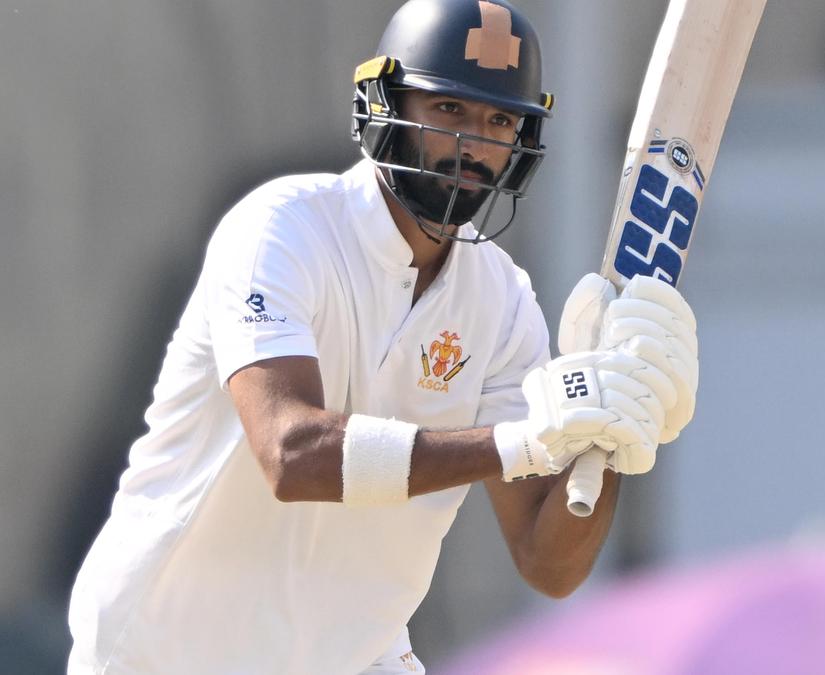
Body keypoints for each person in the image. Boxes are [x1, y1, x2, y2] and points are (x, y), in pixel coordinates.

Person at [66, 1, 699, 673]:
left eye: (498, 121)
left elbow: (548, 562)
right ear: (384, 103)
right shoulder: (282, 230)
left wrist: (614, 426)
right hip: (166, 650)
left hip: (355, 657)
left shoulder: (502, 299)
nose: (473, 144)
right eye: (449, 109)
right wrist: (523, 440)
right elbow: (290, 452)